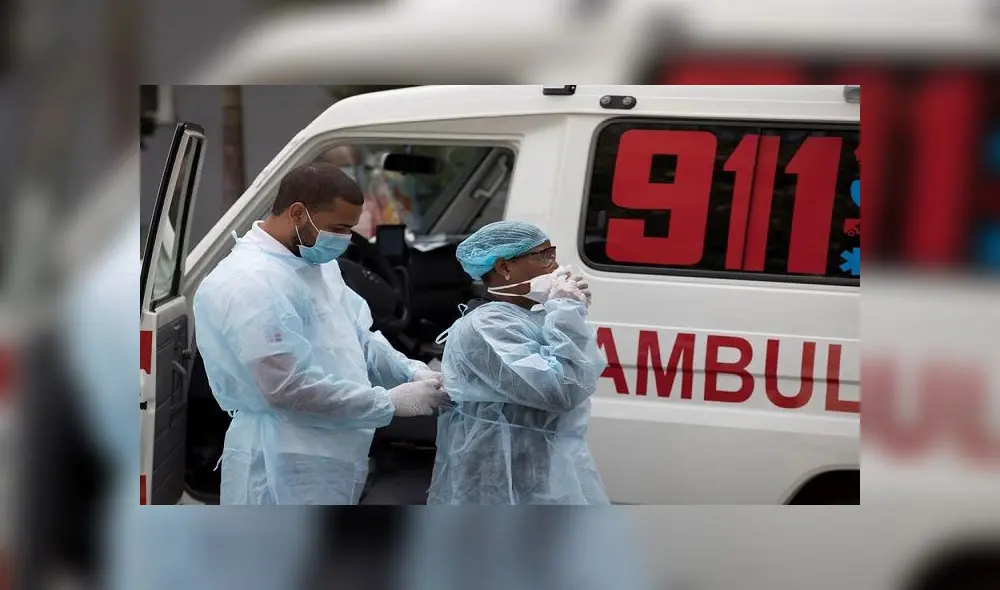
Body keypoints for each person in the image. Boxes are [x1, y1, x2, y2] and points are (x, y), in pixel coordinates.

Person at [193, 162, 448, 505]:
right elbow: (286, 388)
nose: (344, 240)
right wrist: (387, 401)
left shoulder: (316, 264)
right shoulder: (250, 282)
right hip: (283, 461)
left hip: (336, 450)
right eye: (338, 228)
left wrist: (410, 370)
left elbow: (358, 333)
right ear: (298, 213)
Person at [427, 220, 609, 504]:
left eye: (553, 253)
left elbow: (583, 372)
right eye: (542, 255)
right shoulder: (487, 326)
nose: (555, 265)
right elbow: (562, 390)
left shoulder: (530, 316)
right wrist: (565, 311)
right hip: (499, 479)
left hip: (542, 470)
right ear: (504, 267)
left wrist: (566, 312)